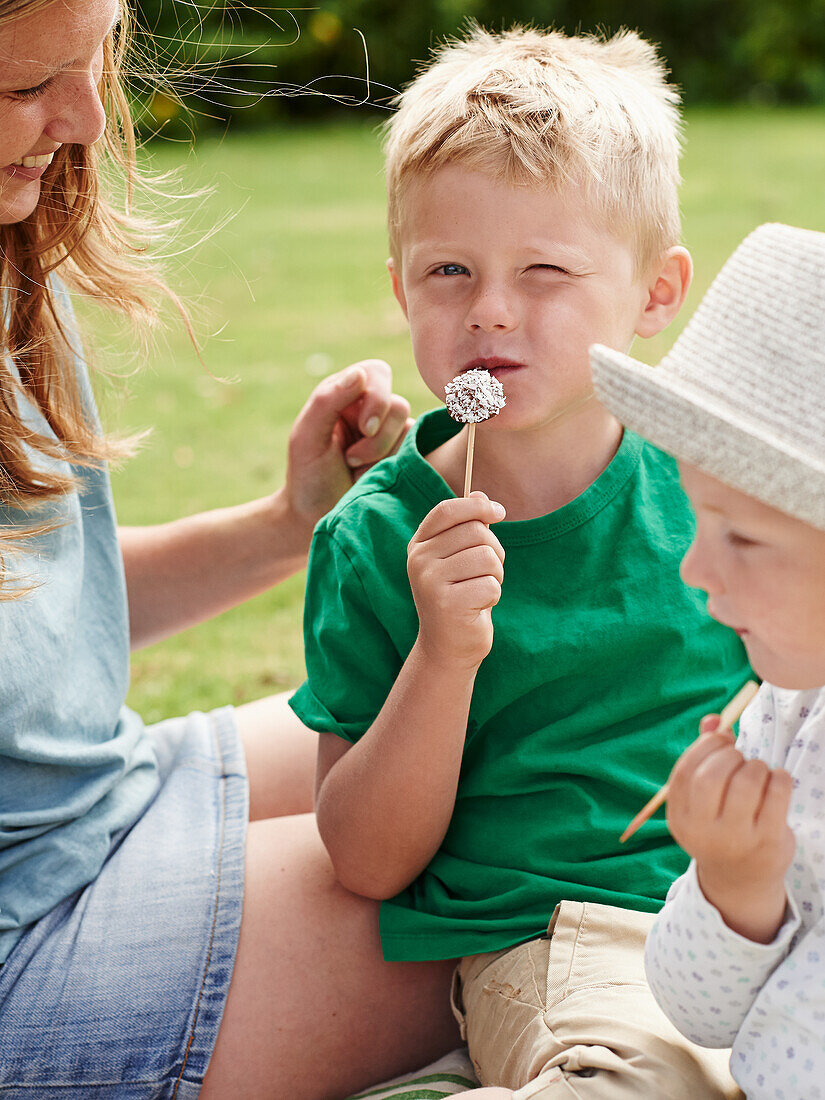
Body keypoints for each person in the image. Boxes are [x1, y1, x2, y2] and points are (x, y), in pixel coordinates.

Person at [0, 2, 464, 1098]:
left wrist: (286, 523)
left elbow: (43, 613)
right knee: (529, 855)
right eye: (23, 88)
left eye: (94, 58)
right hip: (31, 927)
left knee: (511, 737)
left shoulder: (14, 240)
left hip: (95, 796)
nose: (77, 119)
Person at [289, 25, 751, 1100]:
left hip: (753, 906)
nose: (490, 309)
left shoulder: (719, 482)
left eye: (545, 270)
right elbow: (365, 858)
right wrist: (444, 653)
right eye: (449, 270)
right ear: (402, 289)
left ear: (654, 292)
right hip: (574, 937)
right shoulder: (376, 535)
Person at [591, 221, 825, 1100]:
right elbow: (700, 1015)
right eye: (697, 517)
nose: (692, 567)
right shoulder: (785, 716)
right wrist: (735, 887)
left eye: (746, 536)